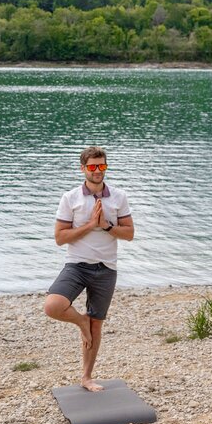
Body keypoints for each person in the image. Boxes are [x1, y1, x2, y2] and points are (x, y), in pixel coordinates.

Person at [43, 146, 135, 391]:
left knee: (97, 323)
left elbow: (129, 234)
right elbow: (60, 238)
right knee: (53, 306)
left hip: (106, 268)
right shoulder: (70, 198)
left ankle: (86, 377)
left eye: (102, 166)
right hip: (77, 265)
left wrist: (105, 226)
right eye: (93, 167)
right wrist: (89, 225)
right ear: (83, 168)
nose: (97, 171)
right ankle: (80, 322)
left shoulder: (118, 197)